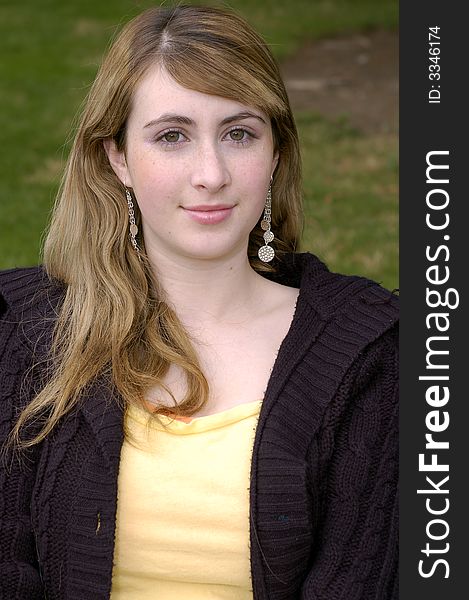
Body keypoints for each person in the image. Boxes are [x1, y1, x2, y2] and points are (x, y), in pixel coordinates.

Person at [0, 4, 398, 599]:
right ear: (117, 158)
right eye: (172, 136)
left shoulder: (372, 352)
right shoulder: (20, 329)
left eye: (239, 134)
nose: (211, 173)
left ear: (276, 154)